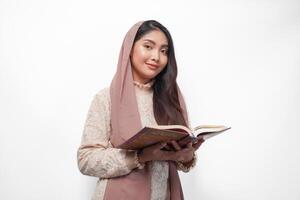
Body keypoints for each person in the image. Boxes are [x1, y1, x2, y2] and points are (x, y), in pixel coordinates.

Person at [77, 20, 204, 200]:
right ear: (130, 49)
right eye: (148, 46)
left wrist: (187, 155)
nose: (156, 57)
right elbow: (86, 159)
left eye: (163, 51)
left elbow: (180, 163)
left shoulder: (170, 98)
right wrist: (140, 156)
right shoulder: (106, 98)